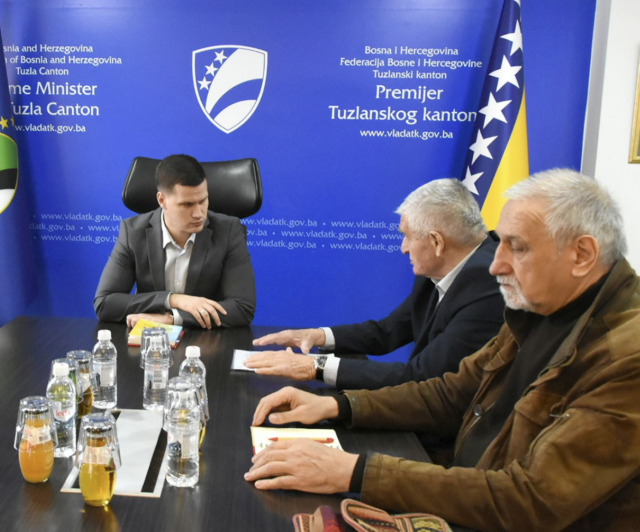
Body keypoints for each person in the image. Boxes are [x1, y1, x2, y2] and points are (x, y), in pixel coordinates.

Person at [245, 169, 640, 531]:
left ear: (582, 255)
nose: (495, 265)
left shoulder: (628, 358)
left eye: (517, 248)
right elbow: (450, 393)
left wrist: (355, 471)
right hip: (466, 490)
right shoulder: (538, 307)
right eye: (500, 243)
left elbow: (531, 499)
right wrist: (338, 406)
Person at [246, 178, 504, 390]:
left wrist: (315, 366)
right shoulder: (439, 267)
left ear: (436, 242)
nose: (403, 248)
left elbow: (423, 375)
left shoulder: (487, 284)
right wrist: (316, 336)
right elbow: (389, 331)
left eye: (407, 237)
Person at [94, 154, 256, 329]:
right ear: (162, 200)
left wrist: (173, 318)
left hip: (206, 337)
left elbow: (242, 308)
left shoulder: (228, 230)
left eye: (203, 201)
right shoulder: (133, 232)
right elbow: (105, 303)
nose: (199, 214)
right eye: (187, 204)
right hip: (150, 340)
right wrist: (173, 299)